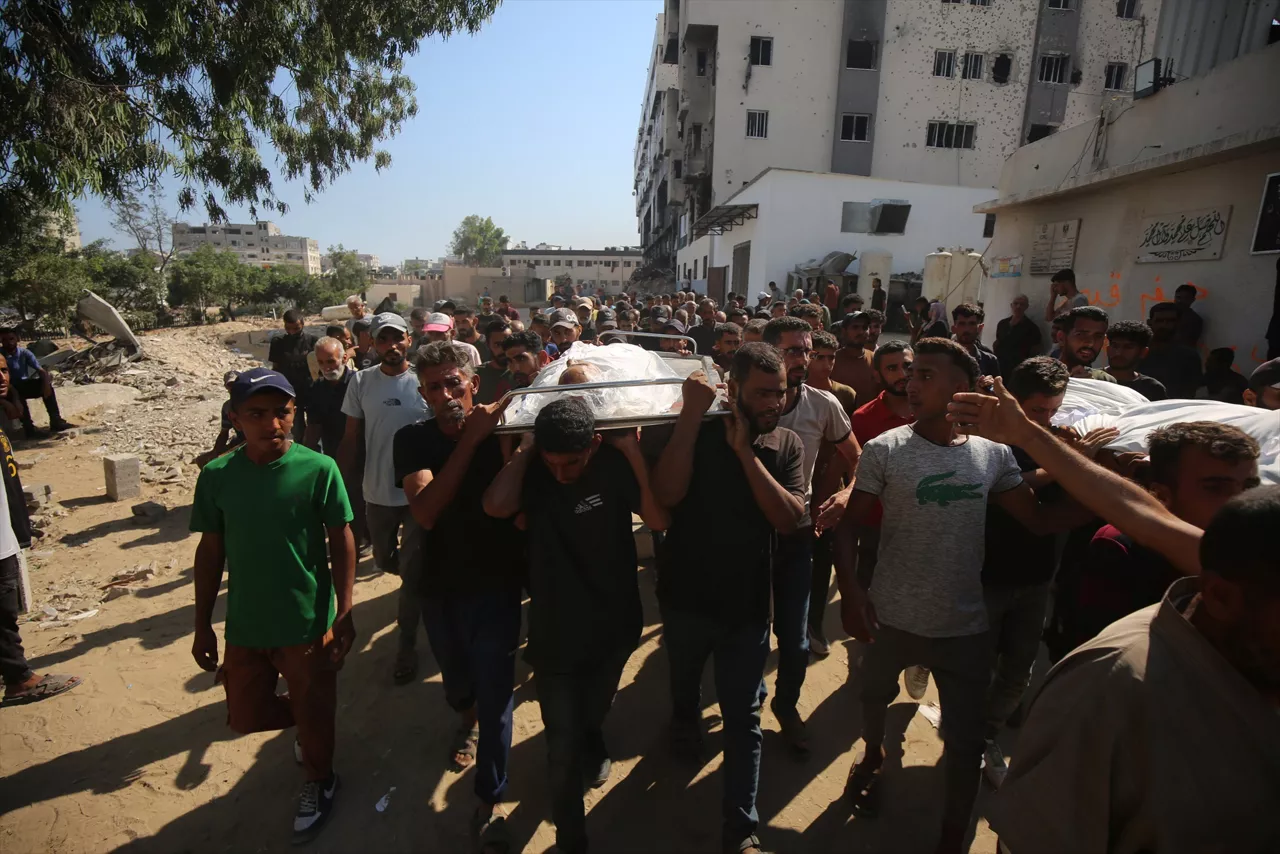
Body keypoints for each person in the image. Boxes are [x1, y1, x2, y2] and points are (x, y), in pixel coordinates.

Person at [944, 383, 1280, 854]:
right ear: (1221, 597)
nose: (1235, 501)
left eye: (1246, 487)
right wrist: (1028, 435)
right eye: (1216, 487)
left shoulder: (1242, 566)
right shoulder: (1116, 675)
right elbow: (1139, 514)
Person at [834, 338, 1072, 854]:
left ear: (961, 389)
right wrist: (852, 593)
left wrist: (1111, 493)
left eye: (925, 376)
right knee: (874, 695)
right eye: (911, 374)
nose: (911, 384)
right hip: (889, 614)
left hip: (964, 627)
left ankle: (950, 838)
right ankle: (873, 753)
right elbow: (848, 527)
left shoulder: (993, 456)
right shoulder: (885, 449)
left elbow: (1038, 519)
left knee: (963, 746)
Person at [483, 400, 667, 854]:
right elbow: (495, 506)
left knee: (595, 708)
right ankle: (572, 840)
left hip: (615, 622)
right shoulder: (535, 471)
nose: (562, 474)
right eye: (553, 462)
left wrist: (633, 458)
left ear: (595, 444)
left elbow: (658, 520)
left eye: (572, 462)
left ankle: (594, 735)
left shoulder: (613, 467)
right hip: (555, 632)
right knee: (559, 747)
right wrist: (527, 452)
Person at [189, 368, 355, 843]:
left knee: (314, 705)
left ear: (295, 413)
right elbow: (210, 552)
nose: (273, 425)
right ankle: (310, 723)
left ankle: (320, 780)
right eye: (257, 415)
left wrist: (345, 608)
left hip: (306, 622)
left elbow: (341, 537)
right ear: (236, 418)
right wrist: (202, 625)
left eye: (282, 412)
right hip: (246, 623)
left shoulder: (318, 469)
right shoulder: (218, 475)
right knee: (245, 715)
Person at [654, 346, 805, 854]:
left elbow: (789, 520)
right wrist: (693, 415)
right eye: (763, 392)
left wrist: (745, 454)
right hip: (685, 600)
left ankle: (742, 830)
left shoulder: (784, 445)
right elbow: (667, 494)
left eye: (780, 391)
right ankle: (682, 719)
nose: (775, 402)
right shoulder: (693, 431)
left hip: (746, 610)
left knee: (744, 719)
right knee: (684, 684)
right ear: (733, 388)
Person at [392, 342, 525, 853]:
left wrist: (494, 440)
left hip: (496, 584)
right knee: (458, 685)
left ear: (474, 384)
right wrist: (470, 443)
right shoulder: (413, 440)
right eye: (434, 387)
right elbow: (425, 512)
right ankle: (464, 718)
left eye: (454, 383)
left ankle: (489, 800)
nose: (446, 394)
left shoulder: (505, 434)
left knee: (496, 694)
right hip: (439, 587)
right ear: (423, 394)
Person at [978, 357, 1116, 788]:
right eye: (1037, 411)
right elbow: (1010, 489)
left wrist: (1073, 455)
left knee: (1019, 670)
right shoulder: (988, 439)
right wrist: (1068, 460)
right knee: (974, 666)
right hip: (983, 574)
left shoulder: (1062, 437)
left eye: (1054, 411)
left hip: (1036, 575)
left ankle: (985, 738)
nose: (1046, 420)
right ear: (1013, 403)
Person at [1056, 421, 1259, 657]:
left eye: (1249, 486)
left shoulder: (1258, 546)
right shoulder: (1121, 547)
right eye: (1215, 488)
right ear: (1161, 496)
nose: (1240, 501)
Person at [763, 318, 861, 753]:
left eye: (805, 351)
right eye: (792, 351)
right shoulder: (744, 402)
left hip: (797, 533)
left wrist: (845, 495)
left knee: (796, 636)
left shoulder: (824, 405)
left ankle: (786, 707)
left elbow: (857, 459)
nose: (801, 359)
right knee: (743, 631)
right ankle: (745, 709)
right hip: (746, 535)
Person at [337, 313, 430, 684]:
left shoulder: (424, 382)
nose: (391, 347)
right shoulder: (360, 382)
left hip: (418, 493)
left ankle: (406, 642)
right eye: (383, 340)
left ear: (409, 340)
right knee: (383, 558)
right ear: (371, 344)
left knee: (411, 574)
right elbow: (349, 437)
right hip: (376, 492)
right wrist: (340, 483)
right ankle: (414, 575)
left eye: (397, 339)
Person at [0, 403, 82, 704]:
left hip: (6, 533)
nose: (2, 377)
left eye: (5, 369)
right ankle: (18, 678)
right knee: (4, 612)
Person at [305, 338, 370, 559]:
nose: (327, 367)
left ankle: (364, 538)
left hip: (364, 450)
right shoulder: (316, 389)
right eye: (322, 362)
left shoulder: (360, 382)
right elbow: (313, 425)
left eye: (331, 361)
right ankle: (354, 540)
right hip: (334, 452)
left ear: (344, 358)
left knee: (364, 497)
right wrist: (305, 456)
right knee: (347, 497)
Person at [0, 328, 73, 437]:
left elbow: (41, 371)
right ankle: (29, 429)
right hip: (8, 387)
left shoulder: (24, 353)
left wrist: (46, 384)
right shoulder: (1, 356)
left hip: (23, 384)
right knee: (18, 396)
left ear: (17, 339)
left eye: (11, 339)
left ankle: (56, 420)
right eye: (4, 340)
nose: (9, 342)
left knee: (45, 387)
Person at [267, 310, 318, 442]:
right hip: (290, 391)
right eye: (288, 328)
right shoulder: (278, 343)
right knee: (297, 428)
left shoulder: (312, 341)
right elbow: (276, 368)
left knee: (316, 425)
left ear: (302, 324)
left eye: (296, 328)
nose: (292, 332)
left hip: (311, 389)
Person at [1138, 302, 1203, 398]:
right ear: (1150, 323)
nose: (1164, 325)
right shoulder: (1136, 352)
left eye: (1170, 321)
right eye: (1159, 321)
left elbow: (1191, 391)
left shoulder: (1188, 356)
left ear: (1178, 323)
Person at [1104, 320, 1168, 400]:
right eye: (1115, 346)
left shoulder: (1152, 388)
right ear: (1108, 349)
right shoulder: (1091, 378)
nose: (1118, 353)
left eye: (1128, 347)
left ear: (1143, 352)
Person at [194, 371, 245, 469]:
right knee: (202, 461)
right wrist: (215, 451)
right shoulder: (227, 407)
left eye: (236, 384)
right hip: (239, 442)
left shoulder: (251, 402)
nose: (233, 388)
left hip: (253, 442)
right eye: (230, 385)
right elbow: (224, 432)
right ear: (226, 387)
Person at [830, 311, 880, 409]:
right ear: (844, 331)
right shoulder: (832, 359)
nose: (861, 332)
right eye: (855, 327)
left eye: (865, 328)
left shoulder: (876, 359)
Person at [1056, 306, 1116, 381]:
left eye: (1098, 336)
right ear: (1061, 338)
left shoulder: (1105, 381)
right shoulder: (1040, 376)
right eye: (1081, 334)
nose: (1091, 343)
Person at [806, 330, 857, 416]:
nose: (827, 365)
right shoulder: (796, 393)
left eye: (831, 358)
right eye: (820, 358)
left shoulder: (846, 394)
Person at [993, 294, 1042, 377]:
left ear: (1026, 307)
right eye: (1016, 303)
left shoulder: (1032, 328)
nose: (1018, 306)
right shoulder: (1002, 324)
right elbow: (998, 342)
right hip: (1000, 366)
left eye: (1022, 304)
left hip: (1017, 369)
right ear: (1011, 305)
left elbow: (1035, 351)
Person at [951, 303, 1001, 378]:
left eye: (972, 324)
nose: (966, 329)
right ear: (954, 328)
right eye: (962, 324)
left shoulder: (989, 361)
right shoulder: (942, 357)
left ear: (980, 328)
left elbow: (997, 387)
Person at [475, 319, 513, 405]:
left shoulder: (522, 373)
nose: (503, 349)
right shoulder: (477, 375)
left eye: (507, 343)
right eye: (497, 345)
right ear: (488, 345)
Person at [1173, 282, 1204, 348]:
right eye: (1178, 297)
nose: (1180, 301)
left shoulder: (1194, 320)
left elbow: (1188, 343)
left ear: (1192, 300)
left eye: (1186, 298)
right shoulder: (1164, 313)